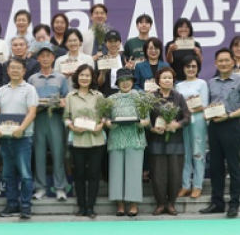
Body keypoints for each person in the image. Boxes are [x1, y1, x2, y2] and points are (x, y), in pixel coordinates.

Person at [0, 57, 38, 220]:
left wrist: (21, 128)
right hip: (5, 138)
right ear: (8, 70)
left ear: (24, 71)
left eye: (19, 68)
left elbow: (32, 112)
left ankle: (25, 206)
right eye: (12, 68)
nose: (15, 70)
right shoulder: (2, 90)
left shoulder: (29, 89)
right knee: (8, 174)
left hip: (23, 138)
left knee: (25, 174)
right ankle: (12, 204)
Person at [199, 48, 240, 218]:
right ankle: (217, 203)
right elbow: (206, 105)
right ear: (215, 63)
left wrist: (228, 115)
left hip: (232, 125)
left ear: (233, 61)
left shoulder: (239, 81)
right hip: (214, 127)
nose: (223, 63)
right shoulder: (210, 83)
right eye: (220, 61)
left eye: (226, 60)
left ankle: (234, 204)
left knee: (234, 166)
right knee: (216, 167)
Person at [27, 44, 69, 201]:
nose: (45, 59)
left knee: (58, 153)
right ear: (38, 59)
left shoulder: (60, 78)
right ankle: (40, 188)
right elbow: (29, 101)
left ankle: (60, 188)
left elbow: (66, 98)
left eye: (48, 56)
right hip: (38, 118)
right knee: (39, 154)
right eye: (42, 56)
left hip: (56, 118)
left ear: (53, 58)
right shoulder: (32, 79)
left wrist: (59, 102)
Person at [63, 64, 105, 218]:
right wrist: (72, 127)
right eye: (82, 75)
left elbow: (105, 116)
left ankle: (91, 207)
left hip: (96, 140)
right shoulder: (70, 96)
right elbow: (66, 117)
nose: (84, 78)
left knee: (94, 174)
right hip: (78, 140)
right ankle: (81, 206)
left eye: (87, 75)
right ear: (77, 77)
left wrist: (100, 125)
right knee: (79, 174)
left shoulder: (99, 96)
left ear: (92, 78)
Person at [105, 69, 149, 216]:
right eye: (122, 80)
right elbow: (105, 119)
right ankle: (120, 205)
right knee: (116, 172)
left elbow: (147, 120)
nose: (125, 83)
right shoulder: (110, 99)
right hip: (116, 138)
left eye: (128, 80)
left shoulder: (141, 97)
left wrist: (139, 123)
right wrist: (110, 124)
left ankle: (134, 204)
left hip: (135, 138)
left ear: (132, 81)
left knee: (134, 172)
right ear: (117, 83)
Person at [149, 67, 190, 216]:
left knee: (175, 174)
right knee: (158, 175)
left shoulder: (179, 97)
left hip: (175, 142)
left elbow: (187, 117)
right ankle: (160, 204)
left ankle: (171, 203)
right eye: (164, 78)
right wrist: (152, 128)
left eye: (170, 78)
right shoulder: (152, 97)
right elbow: (145, 118)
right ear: (158, 81)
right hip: (157, 141)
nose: (167, 80)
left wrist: (177, 124)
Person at [175, 55, 209, 199]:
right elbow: (177, 106)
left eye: (193, 66)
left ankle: (197, 185)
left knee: (198, 153)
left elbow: (204, 105)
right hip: (183, 123)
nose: (190, 69)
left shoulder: (202, 83)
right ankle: (185, 185)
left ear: (198, 68)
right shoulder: (178, 85)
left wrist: (188, 110)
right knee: (185, 154)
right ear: (183, 68)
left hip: (198, 122)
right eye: (188, 66)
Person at [97, 30, 134, 96]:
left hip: (125, 95)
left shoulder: (126, 60)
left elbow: (133, 81)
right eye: (110, 41)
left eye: (116, 41)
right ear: (106, 43)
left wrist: (129, 70)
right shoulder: (101, 60)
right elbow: (99, 84)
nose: (113, 44)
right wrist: (102, 73)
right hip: (107, 96)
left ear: (120, 43)